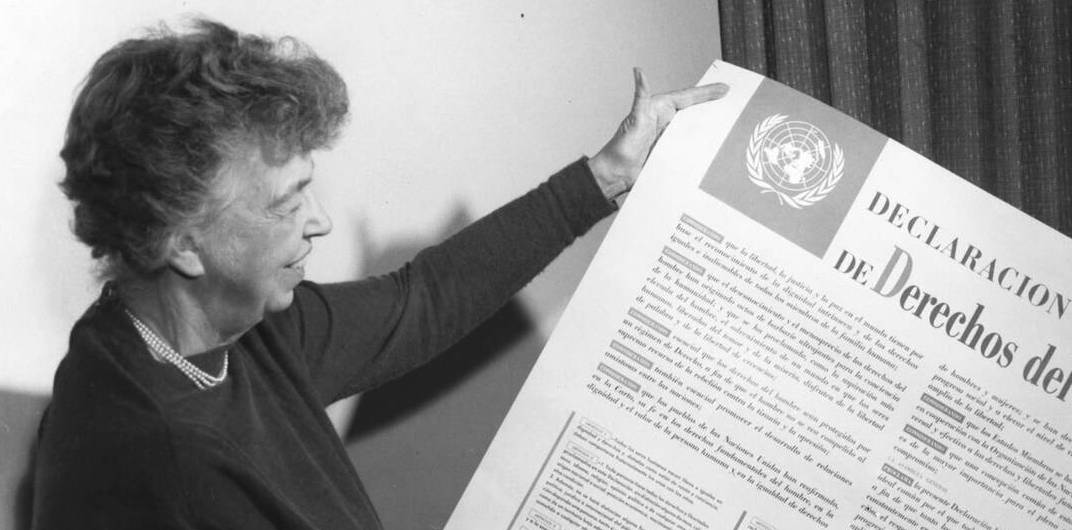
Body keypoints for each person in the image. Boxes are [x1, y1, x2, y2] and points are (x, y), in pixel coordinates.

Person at [31, 19, 725, 529]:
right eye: (287, 202)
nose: (321, 222)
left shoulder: (226, 331)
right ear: (182, 242)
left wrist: (605, 176)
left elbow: (423, 299)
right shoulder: (155, 457)